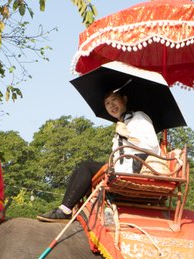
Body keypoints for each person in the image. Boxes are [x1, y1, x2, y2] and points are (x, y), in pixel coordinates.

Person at [37, 90, 161, 222]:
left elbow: (152, 146)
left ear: (124, 99)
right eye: (107, 103)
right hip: (121, 171)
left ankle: (65, 211)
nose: (111, 105)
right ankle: (65, 208)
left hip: (135, 173)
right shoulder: (122, 123)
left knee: (87, 167)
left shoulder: (139, 117)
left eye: (114, 100)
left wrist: (127, 135)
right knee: (79, 170)